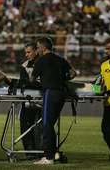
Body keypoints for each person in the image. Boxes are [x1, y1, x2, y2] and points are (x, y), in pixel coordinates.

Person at [31, 37, 76, 165]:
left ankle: (48, 157)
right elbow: (73, 73)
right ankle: (54, 154)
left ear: (44, 48)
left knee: (46, 125)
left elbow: (32, 78)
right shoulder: (60, 59)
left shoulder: (41, 60)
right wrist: (62, 78)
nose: (38, 50)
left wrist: (43, 79)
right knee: (50, 124)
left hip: (50, 92)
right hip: (61, 93)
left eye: (38, 47)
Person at [18, 43, 43, 160]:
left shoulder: (45, 63)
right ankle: (30, 152)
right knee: (25, 125)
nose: (26, 55)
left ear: (36, 51)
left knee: (41, 127)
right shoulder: (24, 66)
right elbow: (23, 82)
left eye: (28, 52)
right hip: (28, 101)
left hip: (42, 101)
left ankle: (42, 151)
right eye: (26, 52)